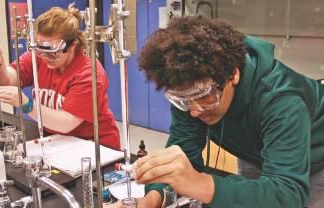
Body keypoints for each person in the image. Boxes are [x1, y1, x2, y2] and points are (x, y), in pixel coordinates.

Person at [130, 16, 324, 208]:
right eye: (183, 100)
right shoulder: (189, 89)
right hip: (255, 153)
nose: (195, 112)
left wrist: (199, 183)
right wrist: (154, 197)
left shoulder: (281, 100)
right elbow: (183, 153)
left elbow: (288, 193)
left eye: (204, 96)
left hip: (314, 162)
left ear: (233, 74)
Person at [0, 4, 120, 150]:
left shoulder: (89, 73)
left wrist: (27, 104)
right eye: (41, 50)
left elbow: (66, 123)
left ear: (72, 45)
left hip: (95, 145)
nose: (45, 57)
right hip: (58, 141)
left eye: (52, 52)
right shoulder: (39, 58)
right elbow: (6, 82)